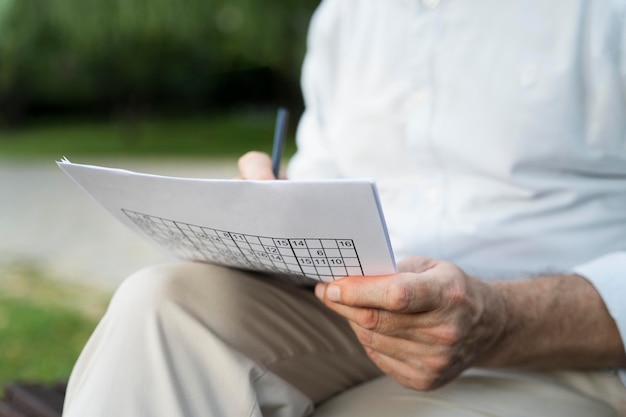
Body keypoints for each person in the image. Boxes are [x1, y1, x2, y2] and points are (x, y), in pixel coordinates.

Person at [62, 1, 626, 416]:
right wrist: (273, 208)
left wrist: (499, 319)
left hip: (559, 355)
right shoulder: (347, 14)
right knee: (158, 304)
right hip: (350, 322)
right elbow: (325, 175)